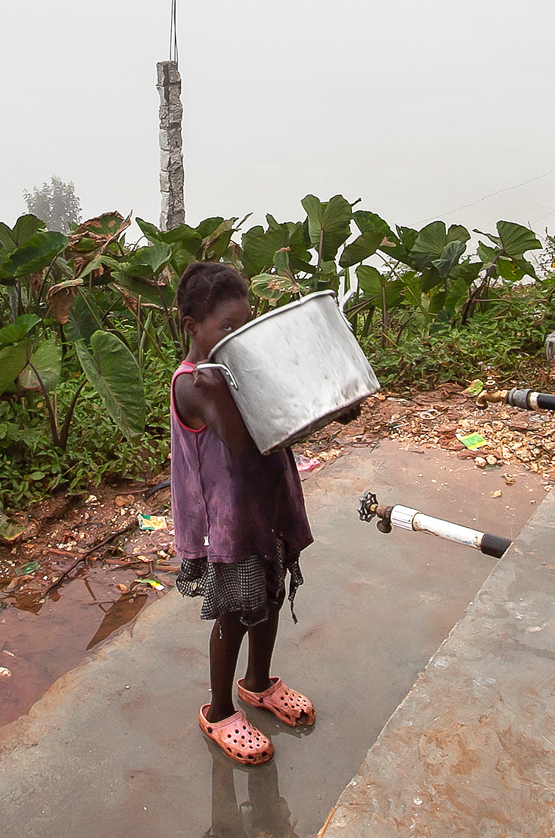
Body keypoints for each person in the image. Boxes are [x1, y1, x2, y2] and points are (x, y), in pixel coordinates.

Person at [171, 261, 316, 766]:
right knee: (233, 610)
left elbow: (282, 411)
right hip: (228, 519)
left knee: (270, 595)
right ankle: (219, 710)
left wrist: (332, 402)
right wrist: (307, 411)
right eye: (226, 327)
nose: (239, 335)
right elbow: (241, 439)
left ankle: (257, 682)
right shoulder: (194, 384)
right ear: (193, 328)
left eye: (245, 323)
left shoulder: (239, 370)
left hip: (267, 505)